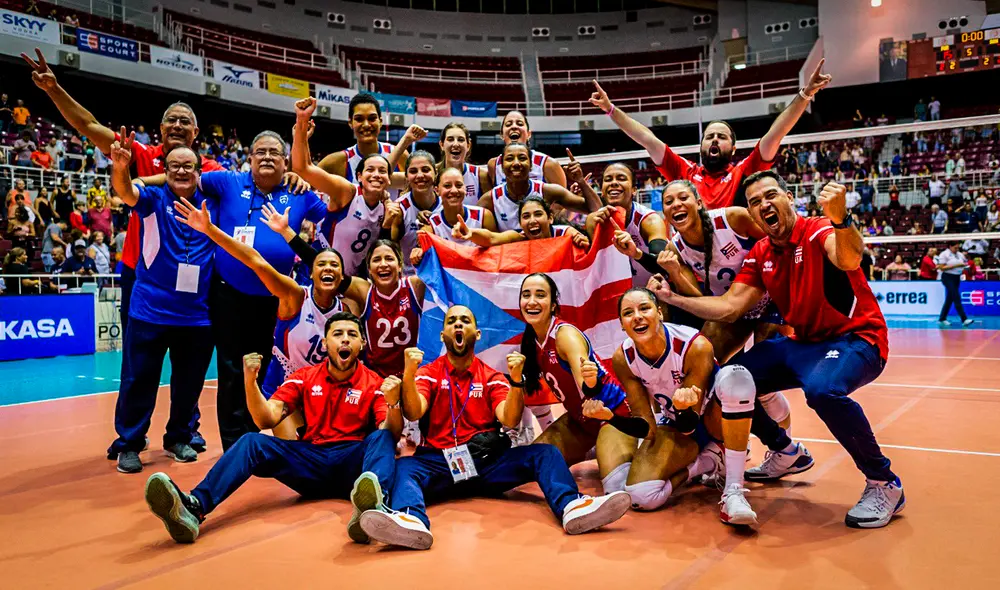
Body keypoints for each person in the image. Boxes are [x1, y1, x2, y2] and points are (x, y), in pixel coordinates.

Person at [651, 172, 904, 529]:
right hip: (804, 343)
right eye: (755, 202)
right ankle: (785, 451)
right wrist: (671, 297)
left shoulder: (816, 230)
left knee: (823, 391)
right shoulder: (760, 253)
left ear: (789, 198)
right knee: (727, 380)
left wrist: (841, 220)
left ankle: (884, 482)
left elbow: (848, 259)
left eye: (771, 195)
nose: (764, 205)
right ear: (752, 214)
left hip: (857, 339)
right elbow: (730, 308)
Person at [358, 305, 631, 550]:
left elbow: (509, 419)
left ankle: (572, 505)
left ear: (477, 334)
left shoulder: (492, 377)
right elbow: (415, 410)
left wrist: (516, 382)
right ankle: (411, 518)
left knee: (544, 453)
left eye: (465, 320)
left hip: (484, 465)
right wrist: (408, 373)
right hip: (439, 465)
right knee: (405, 467)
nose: (458, 324)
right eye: (451, 321)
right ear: (442, 335)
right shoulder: (428, 373)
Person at [143, 312, 403, 544]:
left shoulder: (374, 382)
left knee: (382, 437)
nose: (345, 339)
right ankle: (194, 508)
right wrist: (250, 381)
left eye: (352, 335)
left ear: (362, 344)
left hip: (352, 463)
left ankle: (373, 510)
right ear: (325, 343)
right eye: (338, 334)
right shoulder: (304, 377)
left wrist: (393, 405)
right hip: (310, 461)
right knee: (251, 441)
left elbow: (389, 433)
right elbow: (265, 420)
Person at [174, 196, 354, 440]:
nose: (328, 268)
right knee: (297, 450)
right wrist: (210, 230)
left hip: (326, 392)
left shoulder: (347, 310)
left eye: (334, 265)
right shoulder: (294, 296)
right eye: (321, 264)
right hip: (288, 391)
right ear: (311, 273)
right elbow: (256, 261)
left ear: (342, 276)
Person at [194, 130, 327, 452]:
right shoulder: (226, 182)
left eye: (274, 153)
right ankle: (233, 444)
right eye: (260, 152)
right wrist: (140, 182)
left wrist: (306, 177)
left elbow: (333, 211)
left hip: (275, 301)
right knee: (230, 368)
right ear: (249, 158)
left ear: (285, 161)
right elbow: (183, 178)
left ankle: (254, 436)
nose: (267, 157)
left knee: (266, 367)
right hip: (228, 294)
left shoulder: (299, 192)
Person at [107, 134, 217, 473]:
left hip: (197, 316)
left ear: (199, 171)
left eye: (188, 166)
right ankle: (130, 443)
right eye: (174, 166)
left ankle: (178, 437)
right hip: (150, 311)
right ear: (164, 171)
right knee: (138, 380)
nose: (181, 171)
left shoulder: (213, 203)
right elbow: (126, 192)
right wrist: (121, 168)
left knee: (189, 385)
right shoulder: (152, 199)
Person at [590, 60, 832, 209]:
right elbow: (646, 138)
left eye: (722, 137)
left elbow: (775, 133)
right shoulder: (685, 172)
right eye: (709, 136)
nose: (714, 139)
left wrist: (805, 95)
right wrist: (610, 110)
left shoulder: (743, 172)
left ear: (734, 149)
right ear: (701, 145)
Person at [609, 287, 758, 524]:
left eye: (644, 308)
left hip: (713, 420)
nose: (637, 316)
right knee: (641, 496)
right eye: (628, 313)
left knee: (737, 378)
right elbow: (647, 428)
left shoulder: (694, 346)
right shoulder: (623, 358)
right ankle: (708, 461)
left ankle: (734, 491)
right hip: (679, 424)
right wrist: (610, 417)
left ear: (659, 313)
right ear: (621, 324)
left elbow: (690, 424)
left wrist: (682, 408)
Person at [516, 273, 649, 486]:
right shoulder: (532, 341)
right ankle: (595, 448)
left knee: (615, 485)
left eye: (540, 295)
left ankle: (632, 444)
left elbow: (588, 387)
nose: (532, 301)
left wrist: (592, 382)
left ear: (553, 305)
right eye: (526, 295)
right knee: (530, 464)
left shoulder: (564, 335)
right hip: (581, 421)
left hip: (611, 415)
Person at [293, 97, 392, 277]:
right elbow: (303, 168)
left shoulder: (388, 208)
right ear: (359, 176)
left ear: (390, 179)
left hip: (352, 279)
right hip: (320, 267)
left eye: (382, 171)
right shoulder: (346, 190)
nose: (376, 175)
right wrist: (301, 122)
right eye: (370, 170)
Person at [477, 143, 600, 232]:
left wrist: (581, 181)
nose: (516, 163)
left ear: (531, 165)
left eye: (522, 158)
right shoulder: (489, 200)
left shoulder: (548, 191)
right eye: (509, 159)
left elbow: (597, 210)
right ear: (502, 167)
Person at [582, 163, 669, 288]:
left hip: (652, 292)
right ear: (602, 191)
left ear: (634, 190)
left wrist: (636, 253)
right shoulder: (593, 220)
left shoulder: (649, 220)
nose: (614, 183)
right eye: (608, 179)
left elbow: (663, 265)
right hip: (617, 294)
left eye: (621, 178)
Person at [317, 93, 406, 194]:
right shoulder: (336, 162)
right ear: (350, 123)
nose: (366, 125)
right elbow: (306, 183)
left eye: (372, 118)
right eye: (359, 119)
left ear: (380, 121)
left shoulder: (400, 155)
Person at [407, 167, 500, 264]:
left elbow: (497, 253)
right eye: (447, 186)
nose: (454, 190)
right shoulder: (430, 226)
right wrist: (418, 253)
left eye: (459, 185)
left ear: (465, 189)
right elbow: (425, 260)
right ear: (437, 190)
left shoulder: (484, 216)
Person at [486, 110, 566, 187]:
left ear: (529, 134)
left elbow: (562, 196)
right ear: (502, 135)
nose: (514, 126)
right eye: (508, 124)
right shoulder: (493, 165)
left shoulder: (549, 164)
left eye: (520, 124)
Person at [438, 122, 491, 204]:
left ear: (468, 145)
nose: (456, 144)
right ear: (442, 145)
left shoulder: (481, 175)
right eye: (450, 139)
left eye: (461, 140)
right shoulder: (432, 173)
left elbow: (489, 209)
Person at [936, 243, 973, 326]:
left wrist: (965, 266)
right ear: (950, 246)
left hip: (957, 278)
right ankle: (964, 319)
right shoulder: (944, 254)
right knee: (956, 297)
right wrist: (957, 265)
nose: (957, 249)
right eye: (955, 248)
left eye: (958, 248)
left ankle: (942, 318)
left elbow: (964, 263)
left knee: (949, 299)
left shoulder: (960, 254)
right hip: (947, 277)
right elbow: (942, 268)